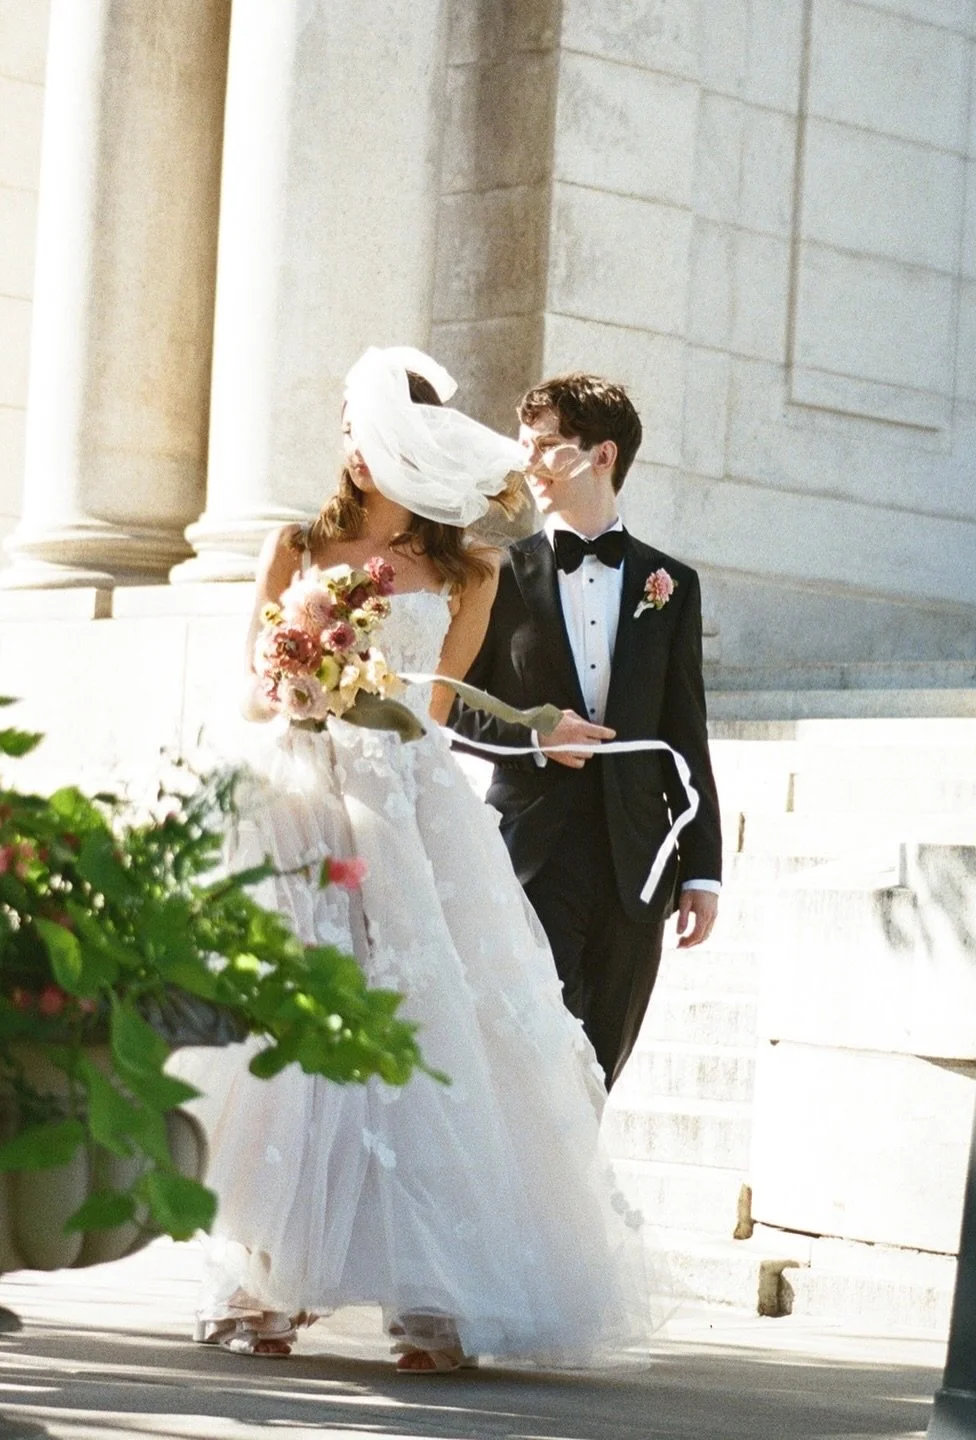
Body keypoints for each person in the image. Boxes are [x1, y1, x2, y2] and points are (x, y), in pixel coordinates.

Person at [193, 348, 650, 1372]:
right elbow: (250, 686)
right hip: (299, 804)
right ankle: (266, 1277)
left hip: (401, 806)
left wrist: (365, 708)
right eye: (350, 431)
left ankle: (433, 1292)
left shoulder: (470, 570)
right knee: (296, 1032)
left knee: (426, 1023)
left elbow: (433, 712)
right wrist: (296, 697)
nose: (355, 449)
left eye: (374, 430)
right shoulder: (292, 545)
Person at [450, 373, 722, 1092]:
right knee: (535, 1061)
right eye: (525, 447)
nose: (529, 464)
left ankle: (566, 1202)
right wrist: (538, 736)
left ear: (602, 455)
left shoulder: (673, 585)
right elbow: (449, 707)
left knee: (601, 1068)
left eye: (548, 448)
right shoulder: (498, 574)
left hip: (639, 859)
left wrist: (702, 870)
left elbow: (686, 733)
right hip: (533, 853)